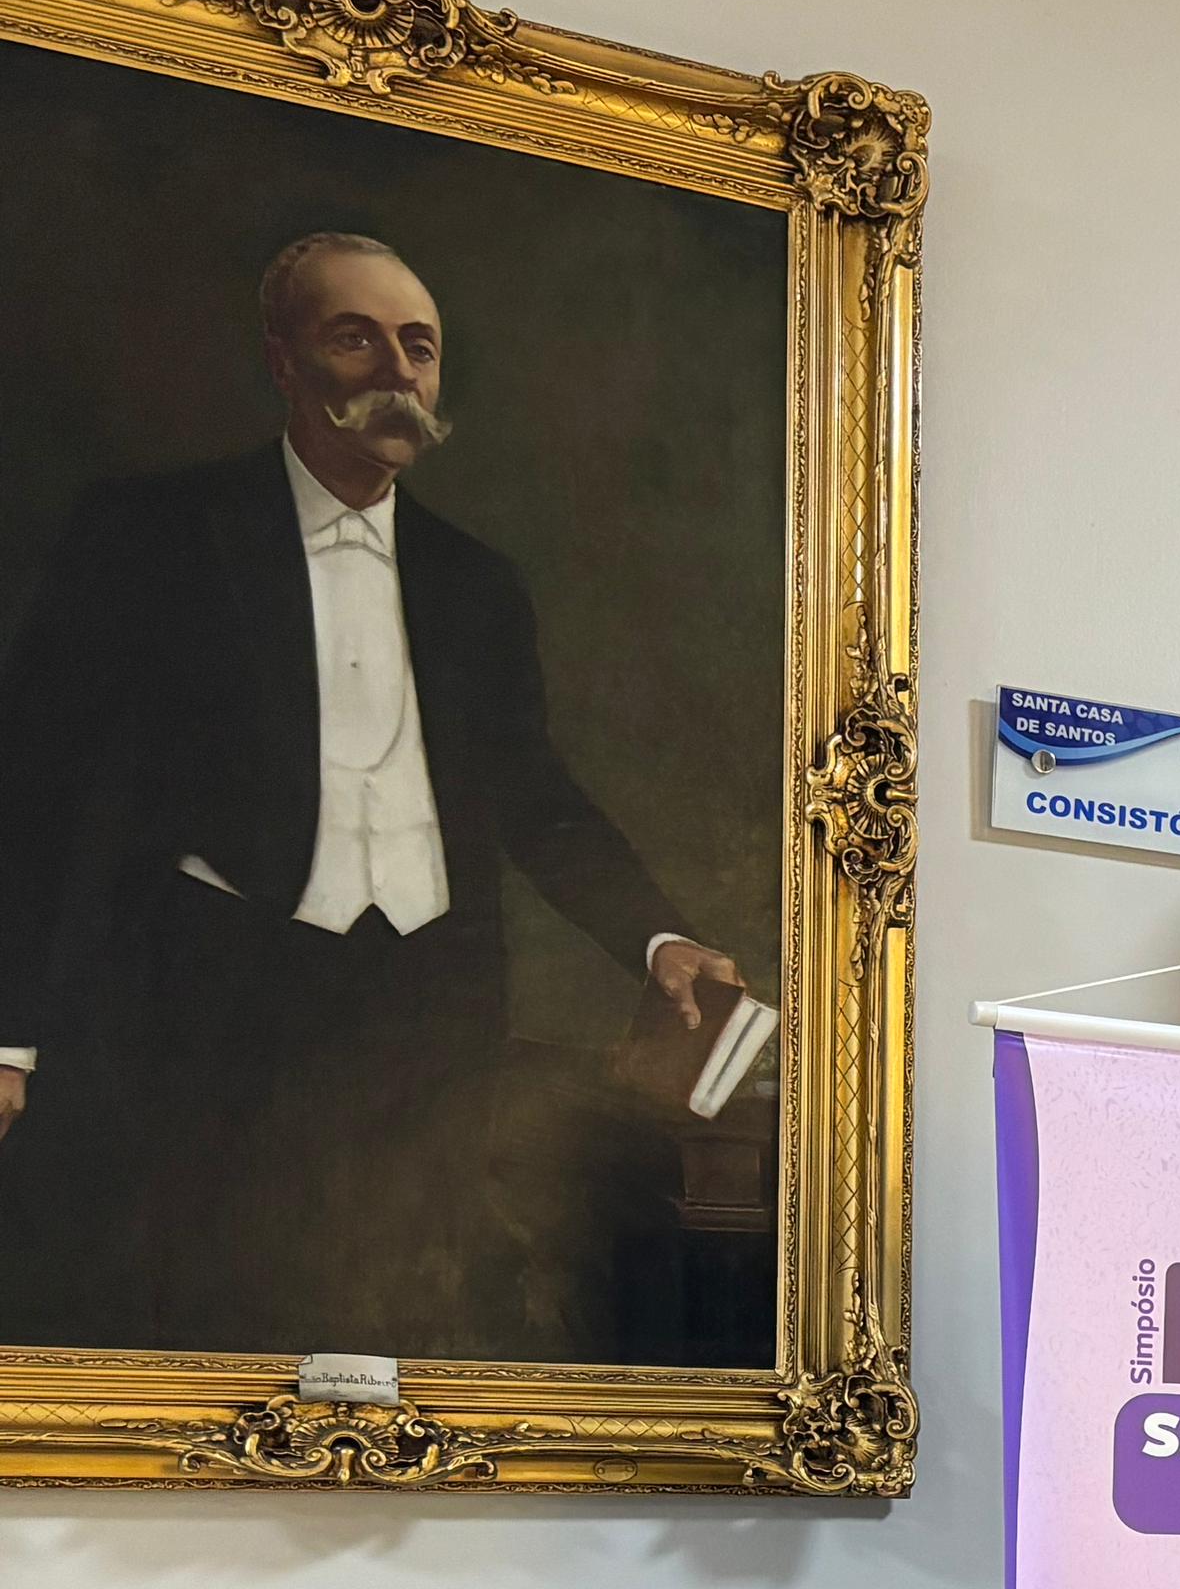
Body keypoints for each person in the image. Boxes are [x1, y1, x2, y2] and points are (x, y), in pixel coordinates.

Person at [0, 231, 744, 1354]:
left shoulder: (477, 582)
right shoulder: (152, 535)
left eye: (420, 347)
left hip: (431, 1015)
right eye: (357, 339)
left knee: (406, 1327)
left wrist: (656, 936)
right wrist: (10, 1037)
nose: (398, 372)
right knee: (213, 1326)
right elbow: (38, 786)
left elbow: (534, 793)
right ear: (283, 360)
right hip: (216, 1010)